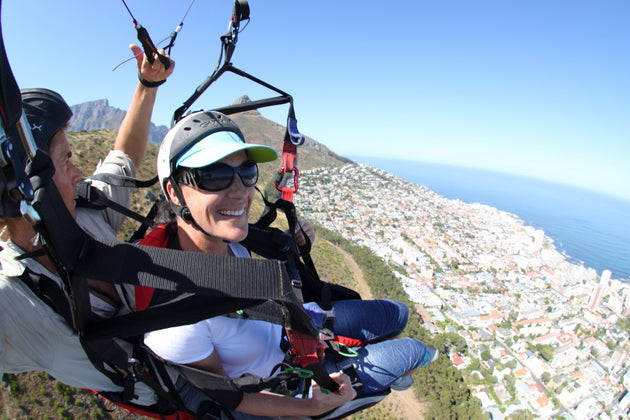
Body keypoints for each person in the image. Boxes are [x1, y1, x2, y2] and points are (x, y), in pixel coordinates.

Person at [141, 110, 439, 419]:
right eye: (213, 176)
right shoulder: (173, 322)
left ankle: (382, 360)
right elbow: (231, 398)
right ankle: (391, 373)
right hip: (288, 379)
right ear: (174, 192)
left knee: (398, 313)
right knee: (414, 352)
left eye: (247, 173)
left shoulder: (227, 239)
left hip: (293, 324)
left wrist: (291, 241)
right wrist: (311, 406)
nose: (241, 191)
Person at [0, 44, 174, 404]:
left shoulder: (86, 209)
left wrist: (147, 84)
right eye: (66, 161)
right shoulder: (12, 301)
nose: (79, 174)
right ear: (32, 192)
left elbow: (122, 158)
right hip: (159, 396)